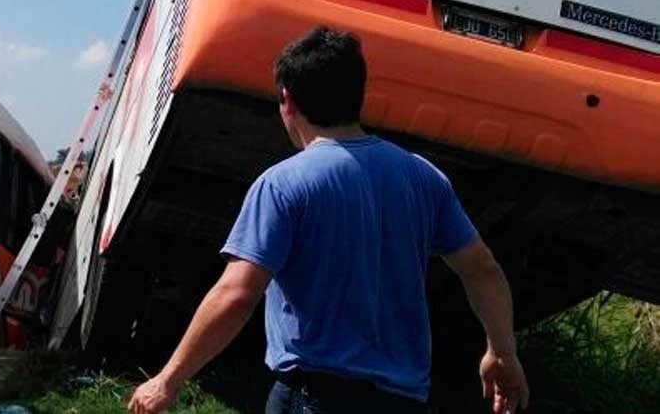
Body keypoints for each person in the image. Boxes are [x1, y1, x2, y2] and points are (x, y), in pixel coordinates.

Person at [128, 27, 529, 414]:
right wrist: (501, 351)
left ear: (287, 100)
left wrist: (168, 380)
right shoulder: (423, 178)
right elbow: (482, 268)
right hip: (402, 400)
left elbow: (237, 293)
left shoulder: (283, 184)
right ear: (359, 96)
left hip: (315, 396)